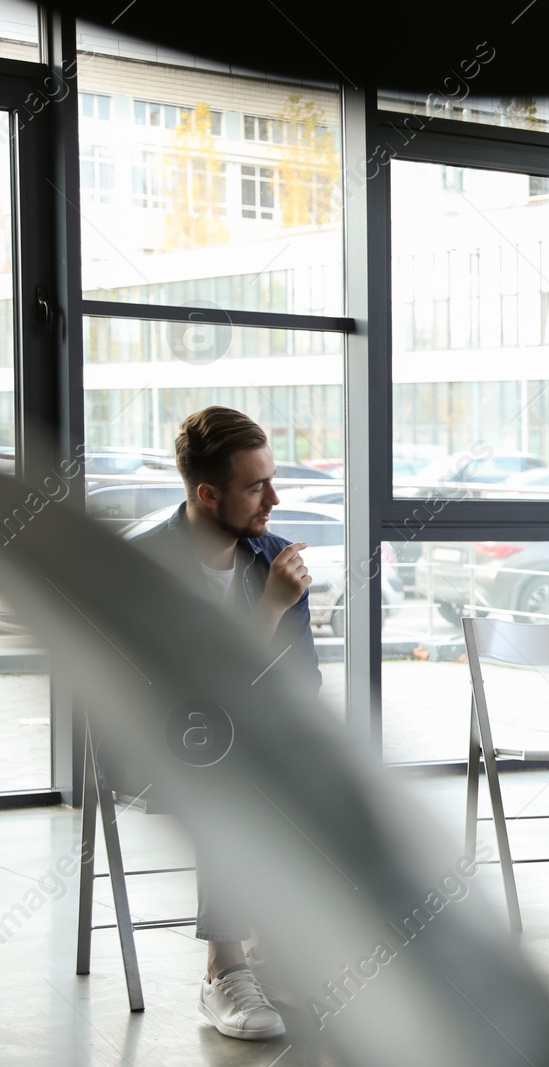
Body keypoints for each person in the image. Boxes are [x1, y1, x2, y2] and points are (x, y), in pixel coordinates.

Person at [131, 406, 318, 1040]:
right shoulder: (145, 565)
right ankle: (224, 967)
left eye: (271, 479)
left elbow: (300, 686)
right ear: (208, 494)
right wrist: (268, 613)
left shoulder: (274, 560)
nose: (274, 498)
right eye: (255, 485)